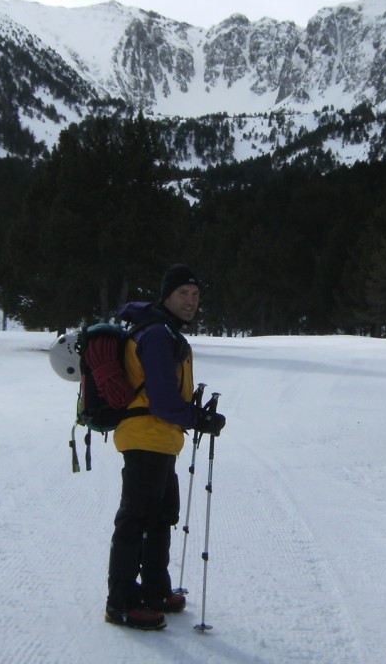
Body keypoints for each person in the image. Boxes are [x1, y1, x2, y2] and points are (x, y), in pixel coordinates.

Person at [104, 263, 226, 630]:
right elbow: (161, 400)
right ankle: (121, 603)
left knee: (160, 517)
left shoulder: (165, 331)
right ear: (166, 296)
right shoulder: (157, 335)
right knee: (136, 519)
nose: (190, 301)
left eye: (195, 295)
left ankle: (155, 590)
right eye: (182, 294)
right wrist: (198, 419)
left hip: (159, 439)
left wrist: (191, 417)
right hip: (146, 436)